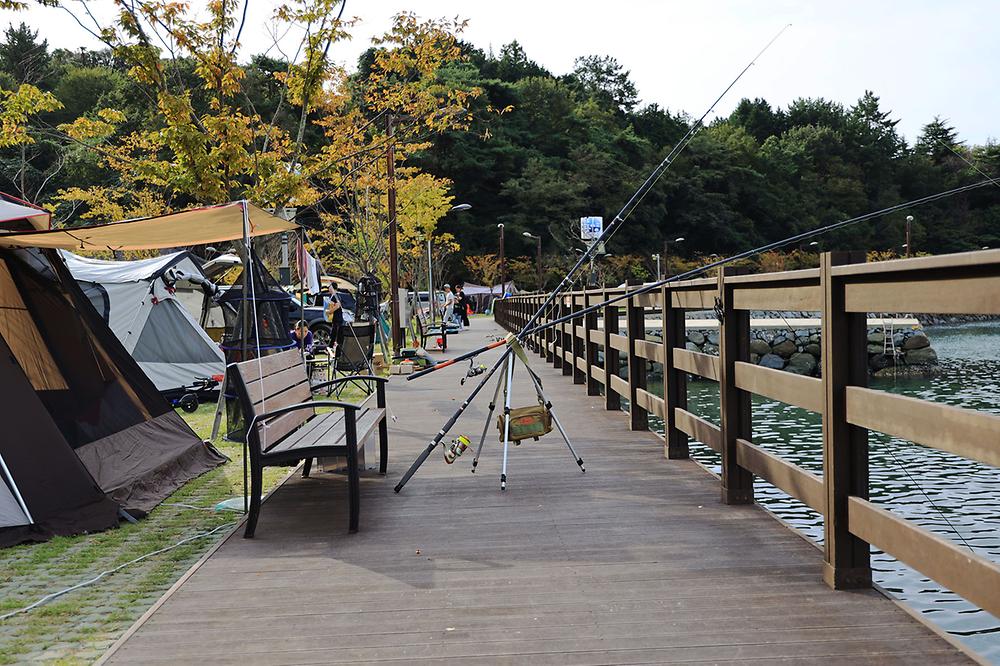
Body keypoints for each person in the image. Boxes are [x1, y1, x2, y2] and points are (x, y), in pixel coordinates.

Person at [324, 284, 344, 350]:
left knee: (335, 334)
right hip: (337, 318)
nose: (328, 288)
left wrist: (329, 311)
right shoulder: (336, 295)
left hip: (337, 318)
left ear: (332, 287)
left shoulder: (335, 295)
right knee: (335, 333)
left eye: (329, 287)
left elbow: (338, 305)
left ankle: (331, 347)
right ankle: (332, 347)